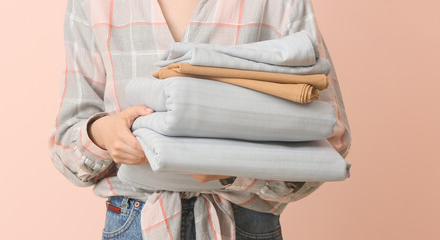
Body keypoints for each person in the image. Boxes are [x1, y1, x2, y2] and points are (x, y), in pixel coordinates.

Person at [47, 0, 352, 239]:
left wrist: (234, 169)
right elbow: (65, 144)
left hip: (245, 223)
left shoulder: (278, 2)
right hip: (133, 221)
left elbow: (331, 137)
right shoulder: (92, 3)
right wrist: (102, 132)